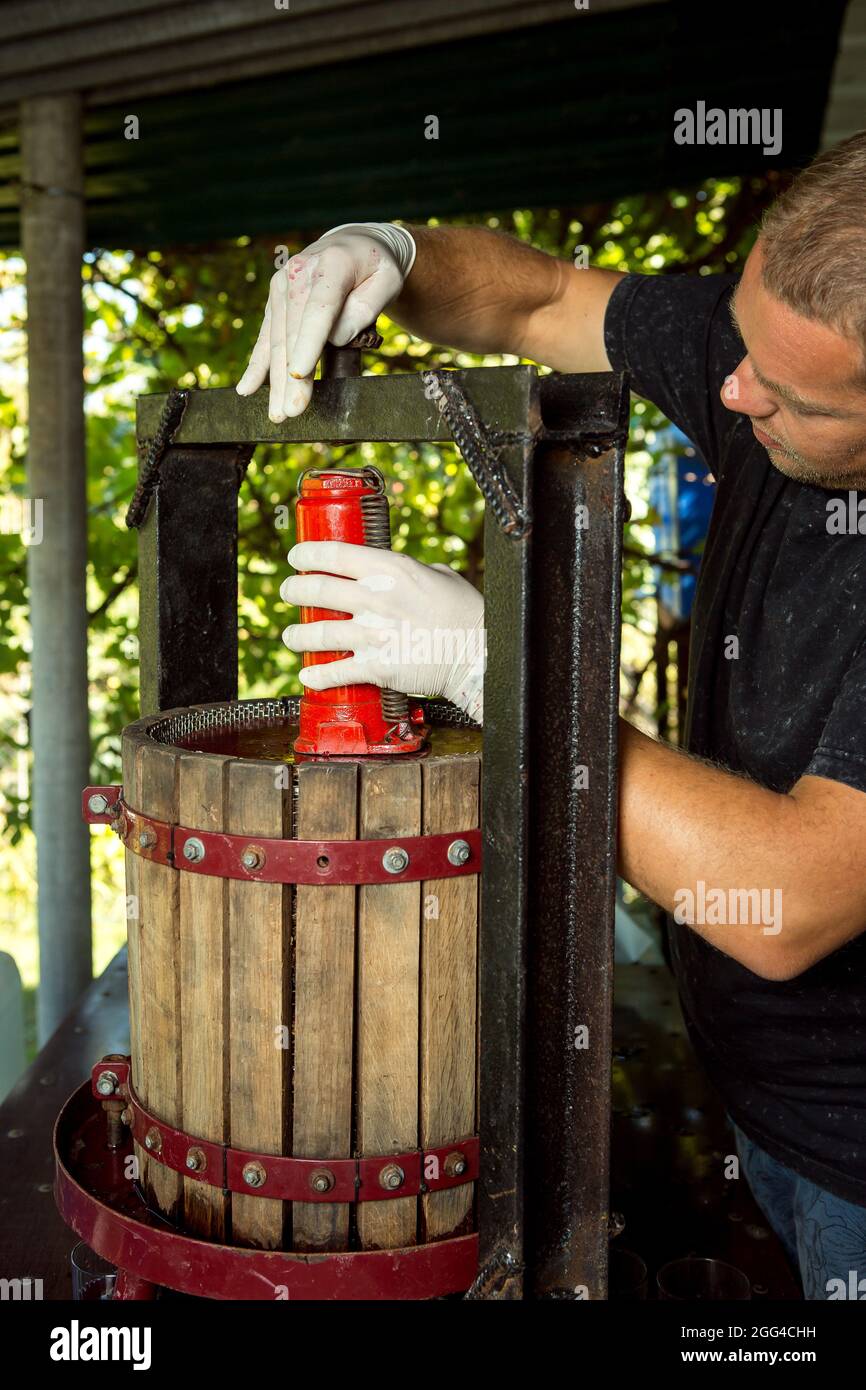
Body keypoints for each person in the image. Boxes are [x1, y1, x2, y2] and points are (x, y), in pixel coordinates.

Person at [237, 135, 866, 1299]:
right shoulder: (773, 348)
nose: (731, 393)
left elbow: (788, 898)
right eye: (739, 347)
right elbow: (537, 301)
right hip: (759, 1104)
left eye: (784, 396)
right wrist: (389, 251)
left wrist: (502, 666)